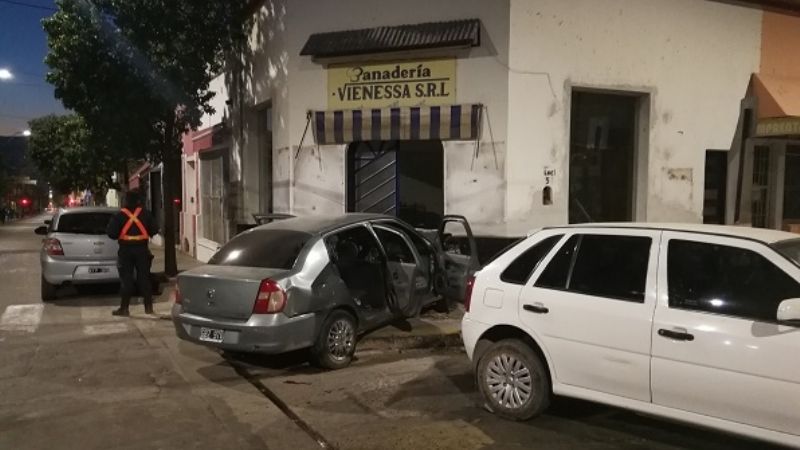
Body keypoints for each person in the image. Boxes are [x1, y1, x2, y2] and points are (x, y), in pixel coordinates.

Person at [106, 190, 159, 316]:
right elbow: (155, 230)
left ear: (125, 201)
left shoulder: (119, 215)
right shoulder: (146, 214)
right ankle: (148, 308)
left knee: (126, 280)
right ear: (138, 201)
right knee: (144, 279)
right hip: (142, 250)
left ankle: (124, 308)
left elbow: (111, 234)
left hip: (126, 251)